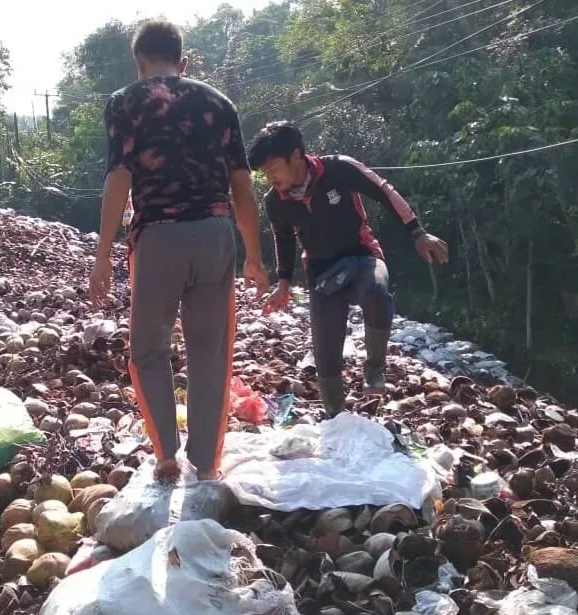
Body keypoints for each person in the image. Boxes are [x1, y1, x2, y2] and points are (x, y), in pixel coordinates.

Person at [88, 19, 269, 482]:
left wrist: (103, 253)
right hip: (215, 233)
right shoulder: (219, 103)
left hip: (158, 237)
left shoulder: (125, 103)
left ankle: (166, 455)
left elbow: (119, 178)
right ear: (182, 61)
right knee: (210, 351)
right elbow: (243, 186)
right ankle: (207, 463)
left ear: (139, 62)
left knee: (149, 350)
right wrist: (254, 255)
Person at [247, 121, 449, 416]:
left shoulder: (339, 169)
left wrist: (417, 232)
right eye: (265, 173)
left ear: (296, 155)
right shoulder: (275, 202)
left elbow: (383, 191)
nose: (270, 178)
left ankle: (375, 368)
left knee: (377, 292)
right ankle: (336, 419)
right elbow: (284, 238)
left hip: (362, 256)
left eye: (274, 167)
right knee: (326, 358)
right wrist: (284, 282)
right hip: (321, 271)